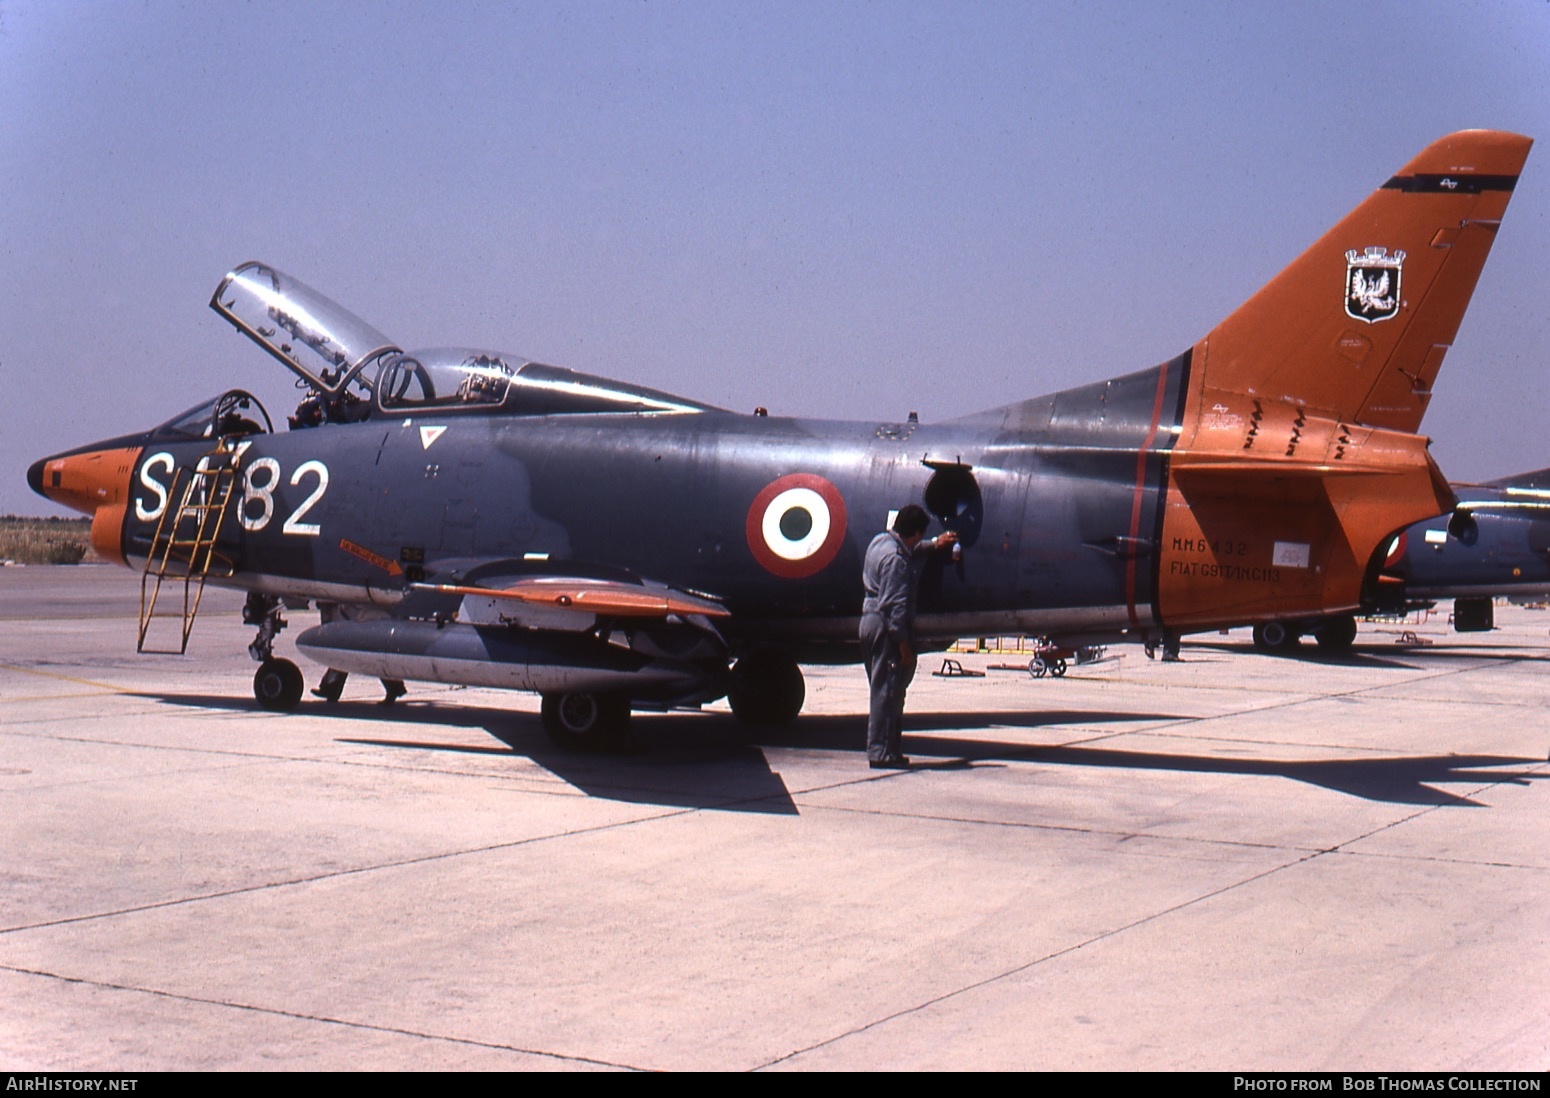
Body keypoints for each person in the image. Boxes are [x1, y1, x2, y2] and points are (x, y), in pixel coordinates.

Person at [859, 504, 957, 769]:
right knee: (887, 693)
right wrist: (903, 647)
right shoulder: (897, 562)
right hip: (886, 628)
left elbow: (910, 547)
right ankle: (881, 753)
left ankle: (887, 749)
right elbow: (894, 609)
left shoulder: (880, 542)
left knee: (883, 689)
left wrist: (935, 544)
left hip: (868, 622)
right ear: (914, 532)